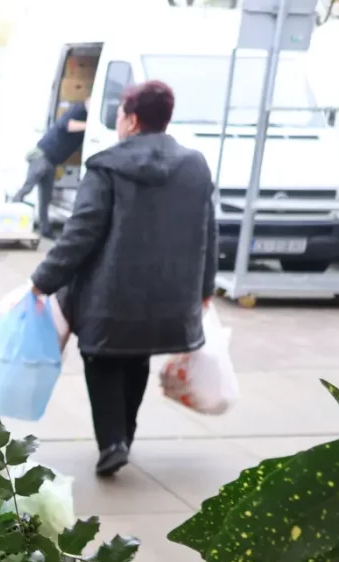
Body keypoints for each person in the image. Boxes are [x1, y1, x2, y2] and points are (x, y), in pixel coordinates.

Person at [30, 81, 216, 477]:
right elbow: (208, 230)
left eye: (118, 115)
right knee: (137, 356)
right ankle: (123, 438)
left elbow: (82, 232)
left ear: (131, 120)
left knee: (100, 356)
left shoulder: (105, 166)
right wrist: (205, 289)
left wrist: (42, 281)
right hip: (169, 296)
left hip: (111, 294)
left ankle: (113, 441)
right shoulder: (195, 165)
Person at [11, 98, 88, 239]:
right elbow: (68, 125)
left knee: (45, 198)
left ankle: (45, 230)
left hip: (51, 162)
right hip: (42, 156)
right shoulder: (79, 110)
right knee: (27, 189)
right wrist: (90, 125)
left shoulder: (84, 115)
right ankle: (10, 216)